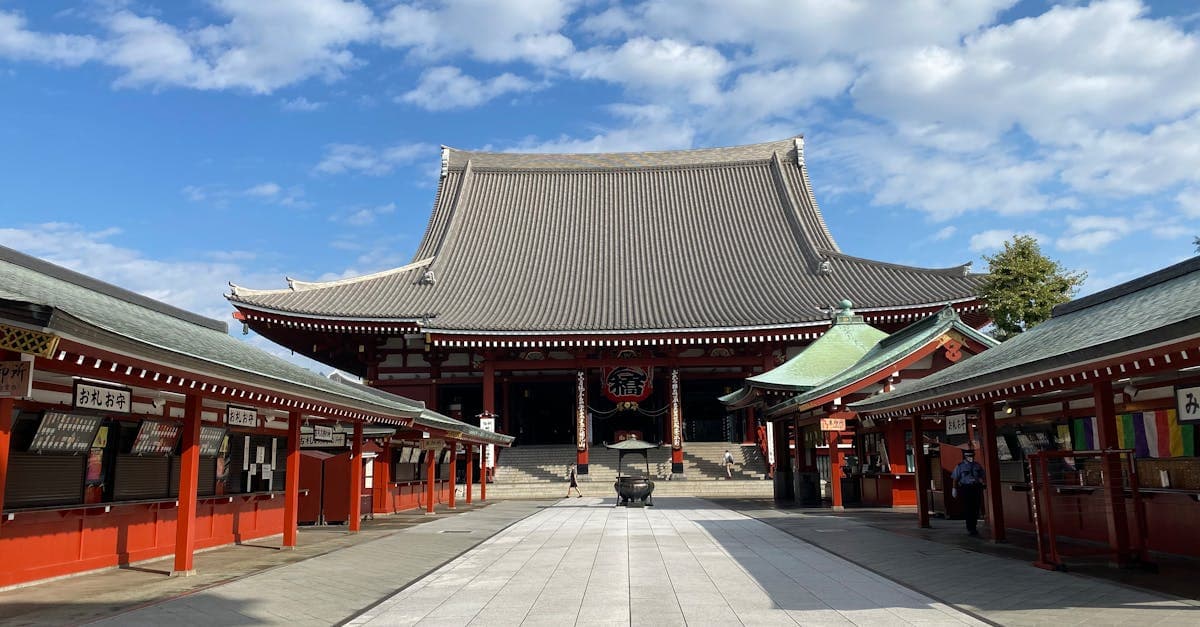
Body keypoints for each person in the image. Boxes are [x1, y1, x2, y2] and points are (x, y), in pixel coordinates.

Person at [951, 449, 986, 537]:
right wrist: (954, 489)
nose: (971, 458)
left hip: (976, 487)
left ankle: (974, 526)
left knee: (976, 508)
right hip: (966, 488)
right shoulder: (960, 466)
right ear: (965, 457)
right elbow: (955, 478)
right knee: (968, 508)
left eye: (972, 456)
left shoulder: (977, 465)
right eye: (969, 456)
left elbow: (982, 476)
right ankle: (970, 528)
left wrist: (983, 483)